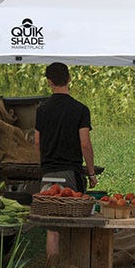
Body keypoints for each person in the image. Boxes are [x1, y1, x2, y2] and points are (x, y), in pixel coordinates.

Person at [34, 62, 97, 191]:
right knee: (72, 207)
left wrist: (44, 166)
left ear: (49, 82)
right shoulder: (81, 109)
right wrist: (91, 173)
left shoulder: (41, 110)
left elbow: (37, 142)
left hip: (47, 173)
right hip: (71, 173)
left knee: (47, 207)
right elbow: (85, 143)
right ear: (69, 78)